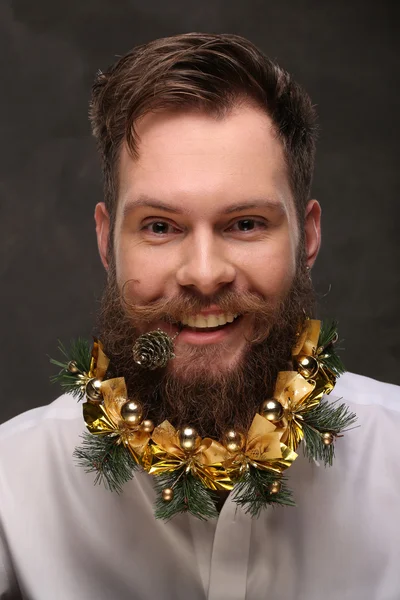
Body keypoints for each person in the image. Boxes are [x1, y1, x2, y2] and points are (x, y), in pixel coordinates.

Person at [0, 33, 399, 600]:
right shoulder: (10, 483)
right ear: (107, 243)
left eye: (246, 224)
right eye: (160, 226)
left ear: (307, 237)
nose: (205, 274)